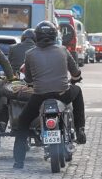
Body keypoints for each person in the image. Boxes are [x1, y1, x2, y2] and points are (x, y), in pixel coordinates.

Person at [12, 20, 86, 169]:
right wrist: (75, 79)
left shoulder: (30, 54)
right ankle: (80, 130)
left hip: (40, 97)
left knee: (23, 122)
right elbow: (75, 72)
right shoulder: (63, 50)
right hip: (62, 93)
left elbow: (29, 79)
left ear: (37, 37)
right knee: (78, 91)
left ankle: (18, 161)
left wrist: (32, 82)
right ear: (54, 36)